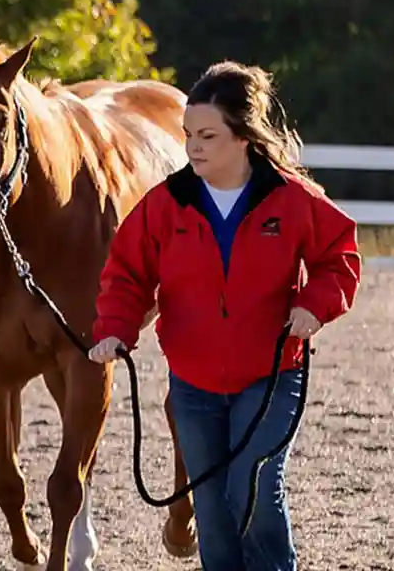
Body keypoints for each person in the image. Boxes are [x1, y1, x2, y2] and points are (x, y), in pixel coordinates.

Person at [88, 60, 362, 571]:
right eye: (189, 134)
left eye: (208, 135)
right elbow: (125, 272)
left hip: (272, 375)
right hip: (193, 386)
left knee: (252, 490)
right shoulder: (165, 205)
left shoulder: (291, 199)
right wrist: (116, 330)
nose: (193, 146)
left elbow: (339, 255)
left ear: (242, 138)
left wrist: (312, 305)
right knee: (211, 511)